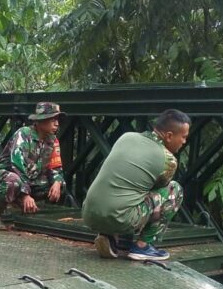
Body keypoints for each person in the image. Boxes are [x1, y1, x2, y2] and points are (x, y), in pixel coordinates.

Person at [81, 109, 190, 262]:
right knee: (174, 190)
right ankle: (143, 246)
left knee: (126, 187)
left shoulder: (126, 137)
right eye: (183, 137)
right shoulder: (168, 160)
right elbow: (156, 191)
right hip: (121, 218)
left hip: (88, 213)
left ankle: (110, 236)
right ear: (169, 136)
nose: (184, 142)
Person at [0, 102, 66, 231]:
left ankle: (21, 205)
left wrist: (57, 182)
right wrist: (25, 194)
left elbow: (55, 168)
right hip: (3, 175)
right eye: (52, 120)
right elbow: (17, 166)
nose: (56, 124)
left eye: (57, 120)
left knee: (58, 185)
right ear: (40, 121)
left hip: (30, 179)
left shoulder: (52, 140)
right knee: (13, 181)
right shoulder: (23, 134)